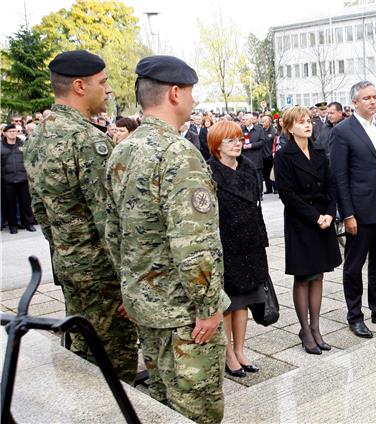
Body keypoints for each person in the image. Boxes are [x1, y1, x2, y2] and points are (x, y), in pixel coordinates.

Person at [104, 55, 228, 424]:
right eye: (191, 92)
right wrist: (207, 307)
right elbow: (194, 245)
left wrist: (130, 289)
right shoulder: (177, 153)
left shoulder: (122, 151)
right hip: (183, 315)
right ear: (175, 93)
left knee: (159, 404)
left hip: (146, 307)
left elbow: (113, 232)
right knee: (197, 409)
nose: (193, 100)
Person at [23, 50, 138, 383]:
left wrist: (65, 251)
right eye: (103, 82)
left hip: (70, 269)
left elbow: (41, 211)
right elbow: (110, 221)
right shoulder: (89, 142)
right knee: (115, 367)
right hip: (103, 279)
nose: (109, 90)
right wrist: (126, 286)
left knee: (82, 357)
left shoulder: (38, 137)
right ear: (79, 86)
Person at [330, 81, 376, 340]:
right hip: (359, 213)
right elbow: (339, 176)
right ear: (354, 103)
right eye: (366, 98)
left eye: (375, 97)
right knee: (354, 266)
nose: (372, 102)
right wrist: (347, 214)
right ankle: (355, 316)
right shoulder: (342, 131)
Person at [275, 106, 342, 354]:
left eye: (309, 121)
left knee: (319, 275)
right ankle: (305, 329)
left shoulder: (319, 152)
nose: (307, 125)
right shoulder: (283, 156)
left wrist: (328, 213)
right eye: (301, 122)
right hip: (301, 222)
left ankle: (316, 327)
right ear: (290, 128)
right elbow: (287, 195)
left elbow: (331, 186)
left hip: (322, 220)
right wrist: (315, 216)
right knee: (304, 276)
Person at [207, 120, 269, 377]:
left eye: (238, 138)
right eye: (229, 140)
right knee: (229, 303)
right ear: (216, 146)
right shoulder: (209, 172)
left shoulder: (249, 167)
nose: (237, 143)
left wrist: (261, 238)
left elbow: (257, 207)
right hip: (226, 243)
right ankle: (228, 354)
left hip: (250, 243)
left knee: (244, 302)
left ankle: (240, 350)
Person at [1, 124, 36, 234]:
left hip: (23, 179)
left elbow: (31, 159)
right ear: (5, 133)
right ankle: (13, 225)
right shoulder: (1, 146)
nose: (12, 133)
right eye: (10, 131)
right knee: (10, 204)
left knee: (26, 203)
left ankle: (28, 223)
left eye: (14, 131)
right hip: (7, 180)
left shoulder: (23, 144)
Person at [240, 113, 266, 193]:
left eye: (246, 119)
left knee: (258, 177)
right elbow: (237, 141)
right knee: (247, 176)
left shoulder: (259, 129)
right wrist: (242, 146)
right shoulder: (240, 130)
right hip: (245, 157)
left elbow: (262, 142)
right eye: (243, 119)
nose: (244, 121)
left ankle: (259, 193)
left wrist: (251, 145)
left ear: (251, 120)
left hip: (256, 157)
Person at [260, 115, 277, 194]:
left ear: (269, 122)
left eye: (264, 121)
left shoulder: (273, 130)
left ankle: (276, 188)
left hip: (270, 155)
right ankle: (268, 188)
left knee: (273, 172)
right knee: (265, 173)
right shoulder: (261, 130)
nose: (262, 123)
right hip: (263, 155)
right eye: (262, 121)